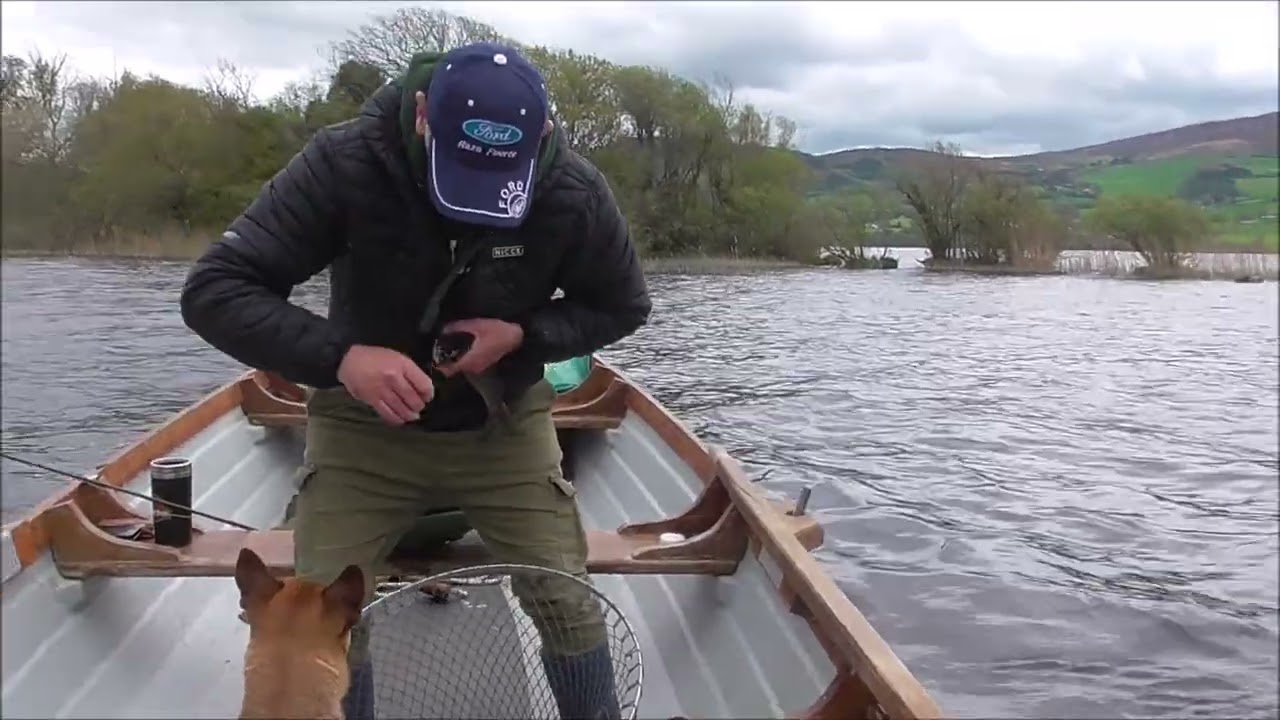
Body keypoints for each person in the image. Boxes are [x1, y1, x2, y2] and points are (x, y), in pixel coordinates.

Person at [180, 41, 651, 720]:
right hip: (361, 429)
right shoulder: (343, 164)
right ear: (424, 114)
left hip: (502, 427)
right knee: (329, 607)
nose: (473, 208)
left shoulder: (571, 192)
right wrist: (342, 358)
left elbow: (623, 305)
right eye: (460, 176)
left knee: (565, 598)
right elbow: (215, 290)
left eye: (497, 187)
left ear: (541, 132)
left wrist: (524, 335)